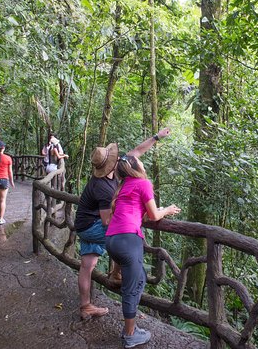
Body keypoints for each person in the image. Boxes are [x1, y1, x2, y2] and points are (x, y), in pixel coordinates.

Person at [74, 128, 170, 320]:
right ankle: (124, 291)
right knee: (126, 237)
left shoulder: (116, 171)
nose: (119, 160)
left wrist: (156, 137)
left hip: (82, 224)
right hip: (91, 226)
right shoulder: (102, 187)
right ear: (109, 166)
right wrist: (136, 216)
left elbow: (137, 152)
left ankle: (85, 306)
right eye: (115, 160)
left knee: (87, 265)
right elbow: (107, 221)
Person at [105, 154, 180, 348]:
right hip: (128, 240)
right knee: (131, 289)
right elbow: (154, 215)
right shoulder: (143, 182)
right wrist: (168, 210)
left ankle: (131, 328)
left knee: (140, 279)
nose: (142, 161)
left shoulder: (123, 186)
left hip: (112, 239)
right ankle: (130, 335)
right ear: (135, 167)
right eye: (139, 160)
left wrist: (154, 212)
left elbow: (138, 212)